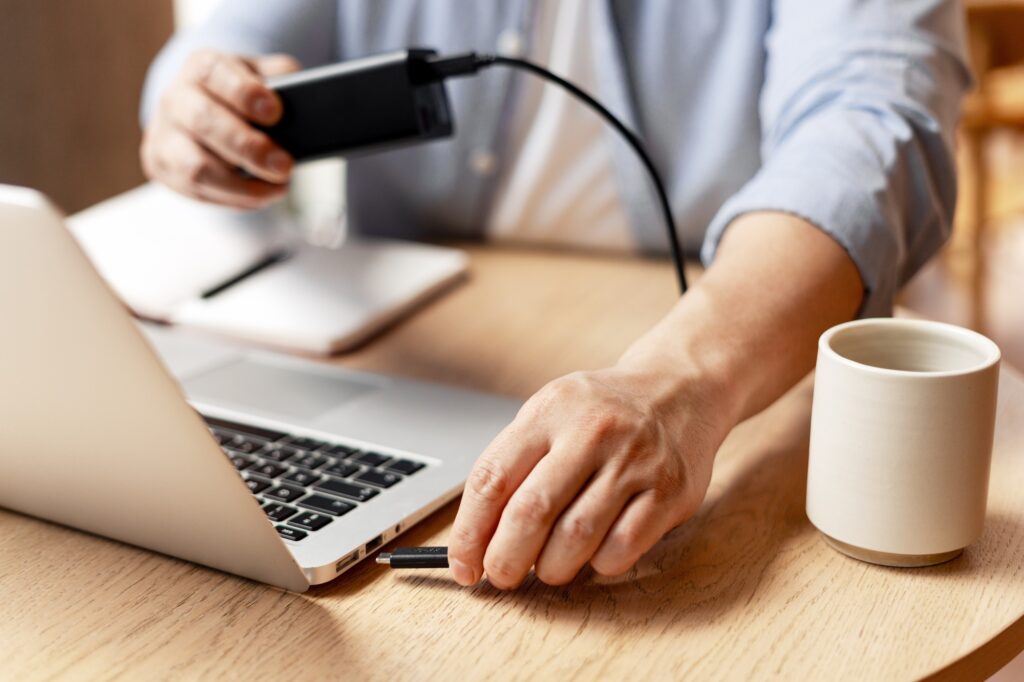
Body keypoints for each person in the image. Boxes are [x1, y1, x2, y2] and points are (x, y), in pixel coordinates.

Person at [140, 1, 970, 590]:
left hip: (722, 336)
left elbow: (873, 122)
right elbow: (225, 42)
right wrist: (196, 98)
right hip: (396, 350)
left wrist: (681, 382)